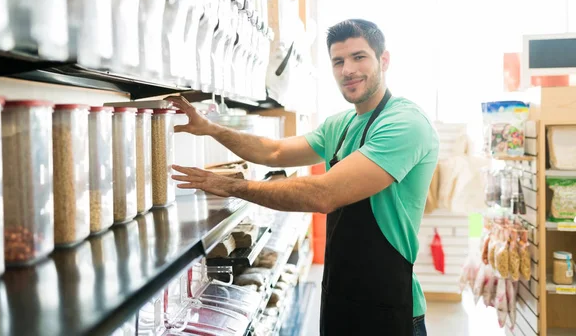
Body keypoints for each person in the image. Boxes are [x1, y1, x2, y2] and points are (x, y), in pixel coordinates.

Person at [169, 19, 439, 336]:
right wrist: (211, 129)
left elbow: (324, 194)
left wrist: (229, 187)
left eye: (359, 57)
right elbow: (274, 152)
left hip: (390, 308)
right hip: (339, 295)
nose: (348, 69)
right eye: (338, 61)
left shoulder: (404, 122)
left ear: (384, 60)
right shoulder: (340, 124)